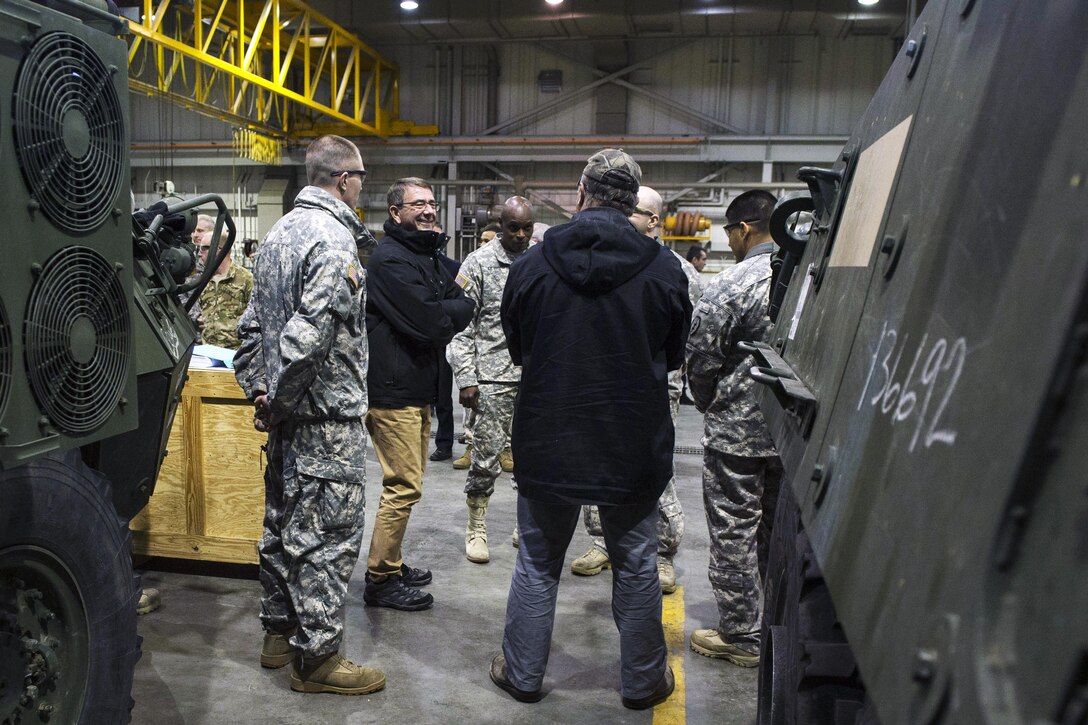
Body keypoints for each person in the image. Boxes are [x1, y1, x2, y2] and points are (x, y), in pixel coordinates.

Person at [490, 149, 691, 710]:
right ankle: (644, 680)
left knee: (537, 561)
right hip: (631, 441)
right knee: (634, 560)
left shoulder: (531, 264)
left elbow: (518, 347)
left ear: (580, 194)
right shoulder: (663, 268)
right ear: (634, 204)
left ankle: (523, 675)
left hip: (547, 436)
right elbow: (673, 354)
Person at [233, 135, 384, 695]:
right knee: (328, 537)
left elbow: (250, 330)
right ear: (344, 179)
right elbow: (309, 335)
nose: (363, 186)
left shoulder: (276, 237)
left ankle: (279, 636)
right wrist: (281, 397)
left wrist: (261, 395)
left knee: (280, 527)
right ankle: (317, 660)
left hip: (288, 420)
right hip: (323, 421)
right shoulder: (333, 240)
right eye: (362, 176)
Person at [570, 185, 701, 594]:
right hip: (605, 383)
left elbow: (689, 338)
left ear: (654, 221)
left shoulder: (677, 269)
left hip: (656, 387)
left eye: (636, 212)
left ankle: (661, 553)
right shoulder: (602, 260)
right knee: (599, 459)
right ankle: (601, 541)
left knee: (651, 470)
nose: (626, 217)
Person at [363, 177, 474, 611]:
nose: (429, 211)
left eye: (431, 203)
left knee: (409, 482)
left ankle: (390, 560)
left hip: (415, 387)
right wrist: (443, 309)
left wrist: (443, 308)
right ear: (396, 213)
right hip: (393, 393)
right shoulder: (390, 261)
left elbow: (460, 302)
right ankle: (380, 578)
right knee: (403, 485)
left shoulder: (422, 255)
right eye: (418, 205)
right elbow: (433, 324)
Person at [685, 189, 782, 668]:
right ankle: (780, 625)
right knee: (779, 529)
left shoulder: (735, 283)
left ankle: (742, 633)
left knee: (733, 528)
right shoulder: (807, 278)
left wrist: (710, 404)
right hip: (794, 430)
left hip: (738, 432)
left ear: (743, 229)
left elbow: (701, 357)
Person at [447, 196, 534, 563]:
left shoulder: (541, 260)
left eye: (526, 228)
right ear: (500, 226)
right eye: (513, 227)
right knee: (485, 459)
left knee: (531, 461)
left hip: (534, 378)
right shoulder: (480, 262)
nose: (520, 235)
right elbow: (460, 327)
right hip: (492, 379)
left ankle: (525, 524)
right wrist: (466, 377)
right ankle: (477, 525)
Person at [196, 214, 253, 348]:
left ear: (218, 250)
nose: (199, 253)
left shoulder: (245, 279)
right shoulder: (201, 280)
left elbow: (256, 318)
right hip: (207, 352)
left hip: (236, 353)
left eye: (204, 248)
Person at [430, 221, 459, 462]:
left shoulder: (453, 268)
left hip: (444, 338)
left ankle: (444, 443)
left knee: (443, 396)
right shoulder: (410, 265)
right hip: (418, 336)